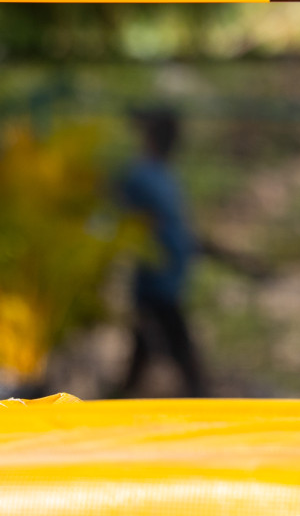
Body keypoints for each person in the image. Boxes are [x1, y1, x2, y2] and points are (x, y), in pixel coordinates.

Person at [113, 106, 207, 398]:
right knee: (175, 350)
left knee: (154, 349)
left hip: (165, 280)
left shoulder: (157, 176)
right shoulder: (146, 176)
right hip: (157, 281)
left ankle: (116, 401)